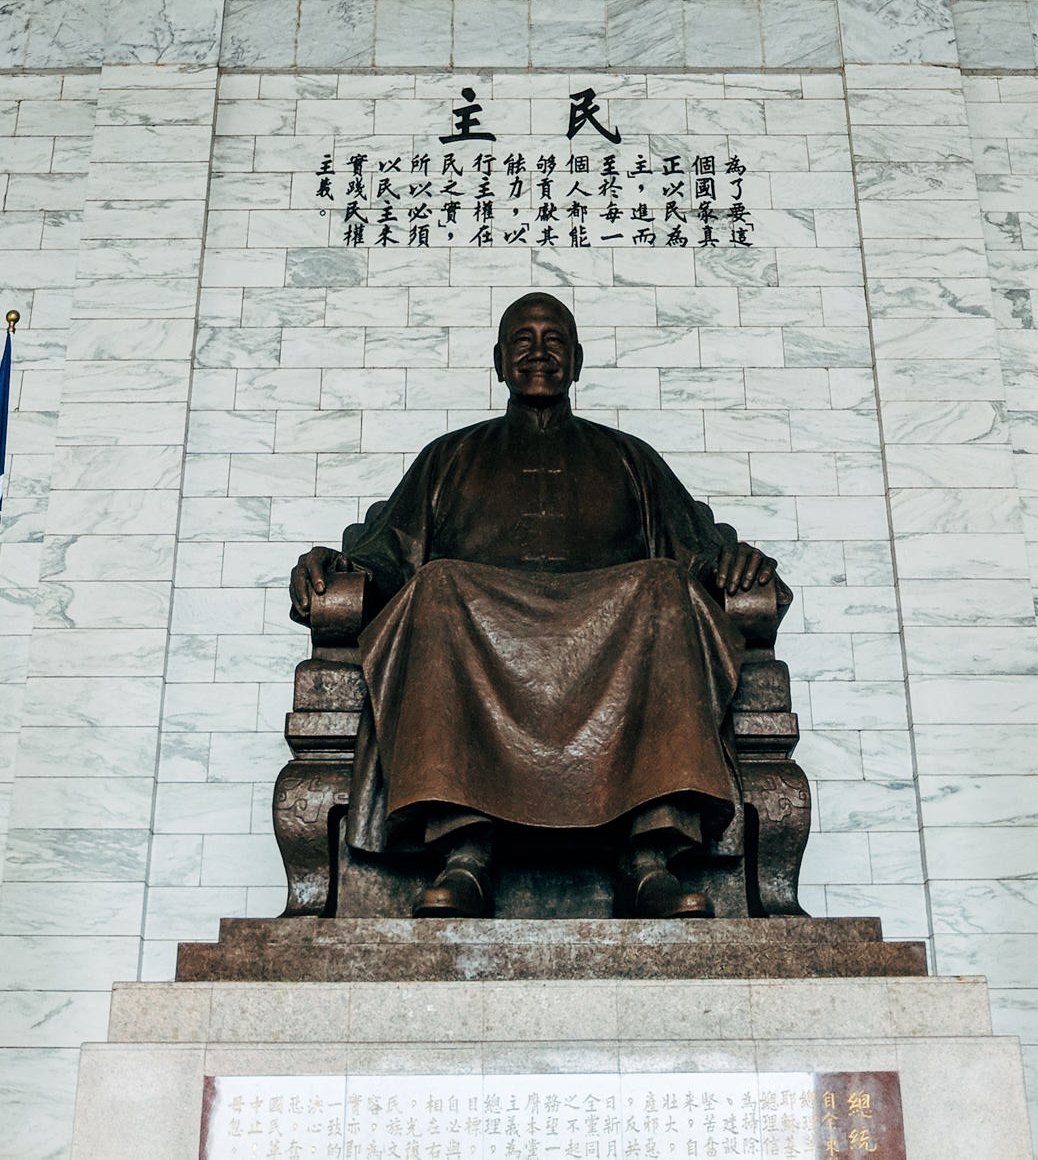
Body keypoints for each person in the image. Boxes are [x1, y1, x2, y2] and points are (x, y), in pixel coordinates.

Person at [290, 290, 784, 918]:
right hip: (476, 625)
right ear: (499, 361)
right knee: (436, 587)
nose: (539, 353)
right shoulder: (450, 456)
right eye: (522, 340)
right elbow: (387, 555)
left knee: (664, 587)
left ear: (577, 361)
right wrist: (337, 565)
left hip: (617, 632)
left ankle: (649, 858)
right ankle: (464, 852)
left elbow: (697, 551)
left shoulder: (629, 459)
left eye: (555, 341)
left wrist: (733, 563)